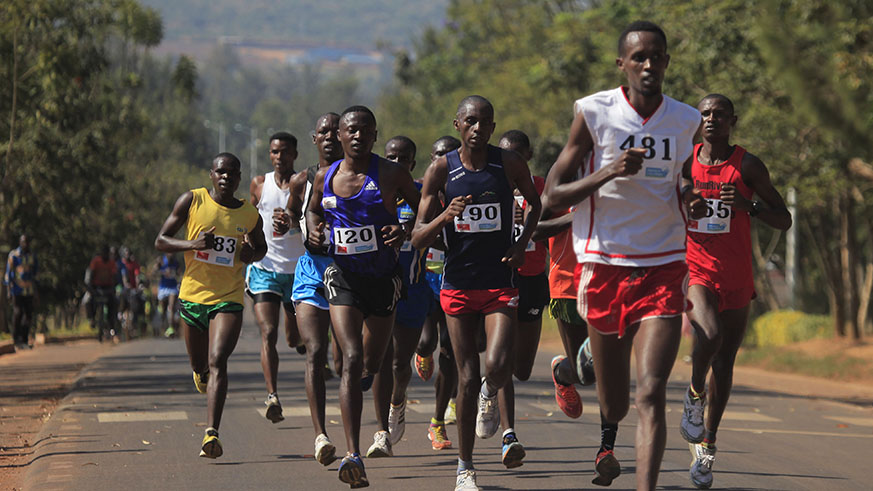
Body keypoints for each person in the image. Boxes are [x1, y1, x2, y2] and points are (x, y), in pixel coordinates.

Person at [542, 21, 707, 490]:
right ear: (622, 64)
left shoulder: (685, 120)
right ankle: (578, 373)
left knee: (651, 393)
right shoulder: (595, 113)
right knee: (613, 404)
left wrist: (690, 196)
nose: (649, 65)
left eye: (657, 56)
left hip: (663, 264)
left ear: (667, 62)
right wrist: (608, 171)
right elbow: (553, 194)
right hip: (603, 265)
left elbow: (683, 177)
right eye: (639, 57)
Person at [412, 95, 541, 491]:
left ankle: (491, 391)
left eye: (485, 121)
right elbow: (417, 235)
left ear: (493, 126)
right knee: (465, 376)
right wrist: (444, 216)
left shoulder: (509, 164)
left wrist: (520, 245)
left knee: (500, 364)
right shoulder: (441, 170)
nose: (478, 128)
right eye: (470, 121)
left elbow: (535, 204)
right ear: (457, 125)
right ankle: (465, 467)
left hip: (499, 280)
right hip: (459, 284)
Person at [305, 105, 420, 488]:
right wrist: (315, 231)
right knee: (351, 358)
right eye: (351, 130)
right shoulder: (326, 176)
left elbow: (423, 209)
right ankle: (353, 454)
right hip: (343, 277)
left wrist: (404, 230)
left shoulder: (391, 173)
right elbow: (312, 212)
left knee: (373, 362)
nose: (358, 136)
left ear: (374, 135)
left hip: (383, 279)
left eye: (366, 131)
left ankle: (375, 402)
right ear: (339, 135)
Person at [681, 93, 792, 489]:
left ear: (732, 121)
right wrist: (685, 204)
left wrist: (749, 206)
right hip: (697, 270)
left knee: (725, 363)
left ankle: (707, 446)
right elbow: (663, 204)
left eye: (720, 115)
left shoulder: (747, 164)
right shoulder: (685, 161)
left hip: (738, 276)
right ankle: (694, 396)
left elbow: (785, 218)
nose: (712, 120)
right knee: (707, 333)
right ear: (698, 120)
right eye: (706, 114)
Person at [154, 152, 266, 459]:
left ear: (240, 178)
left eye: (232, 172)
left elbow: (262, 247)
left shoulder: (248, 213)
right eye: (221, 172)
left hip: (228, 297)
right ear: (211, 175)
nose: (226, 177)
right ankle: (199, 371)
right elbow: (161, 240)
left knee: (219, 360)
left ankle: (211, 433)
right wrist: (192, 244)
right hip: (192, 296)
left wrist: (250, 255)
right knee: (200, 364)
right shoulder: (192, 201)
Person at [366, 135, 431, 458]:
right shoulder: (371, 194)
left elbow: (436, 230)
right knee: (379, 362)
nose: (396, 163)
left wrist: (411, 233)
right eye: (391, 157)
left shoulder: (422, 196)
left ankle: (398, 401)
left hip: (414, 290)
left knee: (399, 364)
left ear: (412, 165)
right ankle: (380, 432)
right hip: (379, 288)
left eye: (403, 159)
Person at [287, 112, 344, 466]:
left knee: (346, 360)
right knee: (315, 351)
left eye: (334, 132)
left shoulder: (359, 177)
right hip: (311, 271)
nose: (328, 137)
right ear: (314, 138)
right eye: (322, 132)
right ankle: (321, 434)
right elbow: (293, 211)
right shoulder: (301, 181)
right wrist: (295, 225)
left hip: (349, 272)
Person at [489, 129, 549, 469]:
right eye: (504, 155)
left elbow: (556, 222)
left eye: (517, 156)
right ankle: (509, 433)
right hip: (499, 279)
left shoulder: (540, 187)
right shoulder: (489, 185)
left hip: (533, 280)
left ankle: (496, 380)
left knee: (522, 369)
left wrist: (530, 223)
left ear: (526, 158)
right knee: (501, 358)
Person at [246, 131, 306, 424]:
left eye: (284, 152)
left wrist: (294, 222)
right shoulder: (259, 184)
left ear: (294, 154)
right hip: (265, 269)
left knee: (293, 337)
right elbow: (250, 219)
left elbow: (315, 219)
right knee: (268, 331)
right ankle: (272, 396)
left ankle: (299, 341)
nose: (279, 157)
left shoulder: (305, 185)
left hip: (297, 273)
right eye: (274, 152)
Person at [415, 136, 461, 451]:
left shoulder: (467, 190)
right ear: (432, 159)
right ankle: (421, 352)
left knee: (452, 351)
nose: (444, 160)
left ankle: (437, 422)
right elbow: (415, 233)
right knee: (426, 342)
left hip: (457, 278)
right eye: (438, 155)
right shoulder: (420, 191)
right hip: (426, 279)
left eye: (450, 155)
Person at [5, 234, 38, 350]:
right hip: (16, 290)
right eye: (23, 242)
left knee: (28, 314)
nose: (25, 244)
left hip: (28, 290)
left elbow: (34, 275)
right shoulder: (14, 255)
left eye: (27, 242)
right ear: (20, 242)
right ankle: (16, 339)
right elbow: (8, 274)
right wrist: (9, 290)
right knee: (18, 312)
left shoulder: (32, 256)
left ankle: (24, 339)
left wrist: (35, 292)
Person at [86, 245, 119, 342]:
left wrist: (113, 288)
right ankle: (91, 319)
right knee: (88, 301)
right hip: (96, 288)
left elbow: (114, 277)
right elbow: (91, 275)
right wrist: (91, 289)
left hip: (108, 288)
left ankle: (112, 324)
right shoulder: (96, 262)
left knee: (114, 302)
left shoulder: (112, 263)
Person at [154, 253, 182, 337]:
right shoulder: (161, 261)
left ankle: (171, 328)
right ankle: (163, 324)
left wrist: (180, 281)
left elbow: (179, 274)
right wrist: (157, 266)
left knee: (171, 307)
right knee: (162, 309)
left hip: (172, 288)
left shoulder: (176, 262)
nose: (171, 254)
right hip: (163, 288)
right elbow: (154, 273)